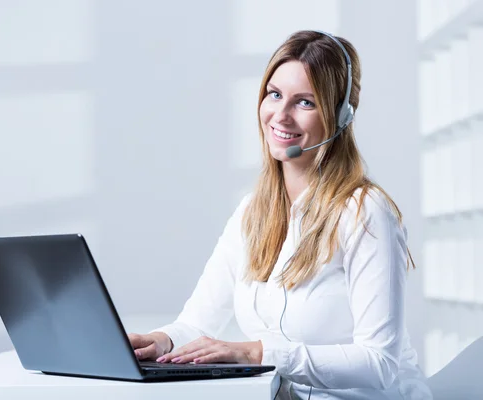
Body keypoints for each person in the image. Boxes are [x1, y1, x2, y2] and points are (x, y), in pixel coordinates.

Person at [127, 30, 433, 400]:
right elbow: (197, 322)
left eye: (305, 102)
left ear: (340, 115)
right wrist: (160, 342)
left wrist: (257, 353)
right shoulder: (252, 212)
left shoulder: (365, 212)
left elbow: (380, 363)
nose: (280, 116)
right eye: (274, 95)